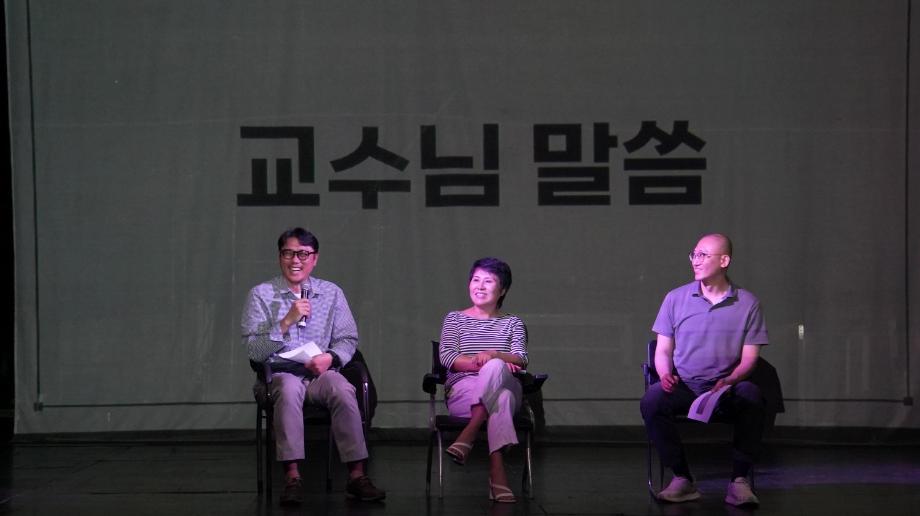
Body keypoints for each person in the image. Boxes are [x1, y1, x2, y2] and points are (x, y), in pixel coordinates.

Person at [242, 227, 385, 506]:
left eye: (303, 254)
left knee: (342, 387)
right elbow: (254, 351)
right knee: (288, 387)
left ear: (315, 258)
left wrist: (331, 358)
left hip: (319, 374)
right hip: (277, 376)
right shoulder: (261, 295)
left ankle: (357, 476)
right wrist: (286, 321)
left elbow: (347, 338)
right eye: (288, 253)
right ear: (280, 257)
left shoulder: (331, 293)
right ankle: (292, 478)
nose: (295, 260)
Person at [640, 233, 769, 507]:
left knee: (752, 396)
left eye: (703, 255)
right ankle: (682, 477)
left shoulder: (747, 303)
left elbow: (750, 357)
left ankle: (739, 481)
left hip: (725, 388)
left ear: (724, 261)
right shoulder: (675, 298)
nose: (695, 261)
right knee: (652, 400)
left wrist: (731, 379)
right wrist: (665, 374)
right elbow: (662, 350)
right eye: (694, 254)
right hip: (686, 386)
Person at [438, 257, 528, 503]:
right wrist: (487, 362)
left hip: (506, 383)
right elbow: (448, 357)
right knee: (502, 398)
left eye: (488, 281)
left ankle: (469, 433)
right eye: (475, 280)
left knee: (496, 369)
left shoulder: (513, 323)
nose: (479, 286)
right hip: (463, 392)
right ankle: (498, 475)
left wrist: (495, 356)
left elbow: (521, 358)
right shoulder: (454, 319)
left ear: (503, 290)